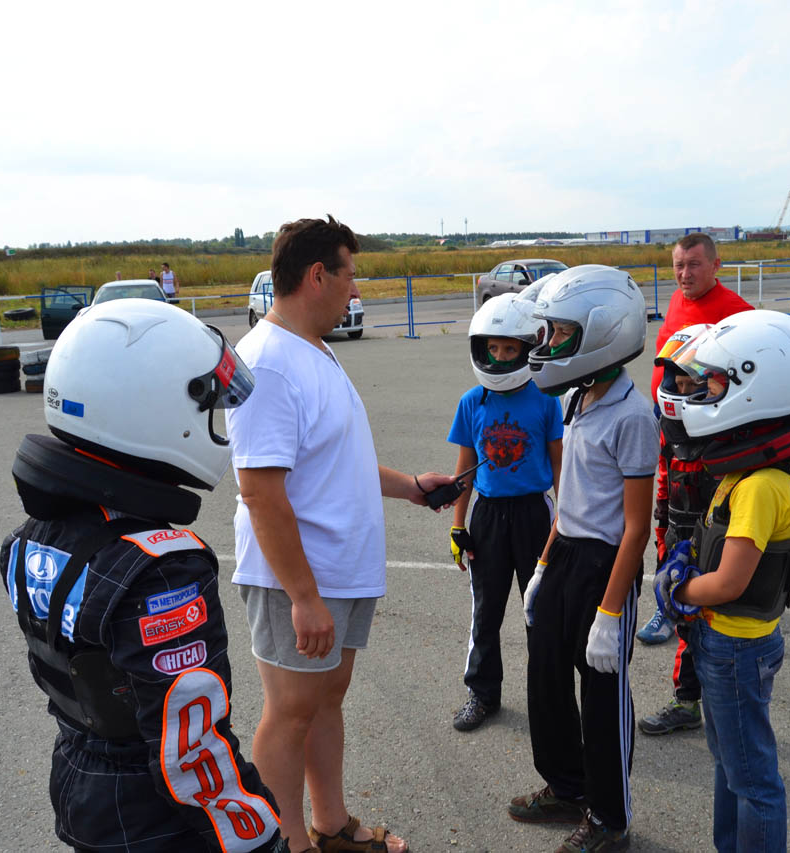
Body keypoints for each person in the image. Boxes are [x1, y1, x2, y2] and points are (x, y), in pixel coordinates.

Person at [0, 298, 287, 852]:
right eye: (207, 404)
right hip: (153, 817)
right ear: (147, 406)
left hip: (80, 784)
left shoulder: (28, 539)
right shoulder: (161, 569)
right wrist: (257, 834)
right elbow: (190, 750)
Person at [225, 216, 454, 853]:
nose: (357, 291)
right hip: (301, 578)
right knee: (291, 712)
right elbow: (260, 492)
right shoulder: (268, 364)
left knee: (327, 700)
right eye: (351, 275)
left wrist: (411, 486)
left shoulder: (314, 349)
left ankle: (329, 827)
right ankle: (286, 844)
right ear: (317, 275)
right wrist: (303, 596)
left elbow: (332, 462)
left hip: (339, 572)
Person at [656, 309, 790, 853]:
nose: (703, 396)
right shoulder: (744, 470)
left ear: (759, 391)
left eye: (714, 386)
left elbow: (729, 583)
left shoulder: (759, 484)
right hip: (726, 642)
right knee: (730, 763)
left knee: (752, 779)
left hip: (734, 646)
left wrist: (677, 593)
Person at [508, 264, 656, 853]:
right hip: (565, 552)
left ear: (604, 333)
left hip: (605, 567)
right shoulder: (575, 397)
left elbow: (636, 527)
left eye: (562, 334)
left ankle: (609, 818)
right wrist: (543, 568)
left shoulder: (633, 416)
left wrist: (611, 613)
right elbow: (568, 498)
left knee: (602, 700)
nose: (549, 345)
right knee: (545, 681)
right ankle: (567, 786)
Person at [446, 288, 563, 732]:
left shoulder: (546, 398)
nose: (499, 357)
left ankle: (547, 696)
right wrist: (458, 526)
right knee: (486, 610)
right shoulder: (471, 402)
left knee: (541, 609)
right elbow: (463, 472)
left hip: (534, 514)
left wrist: (566, 520)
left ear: (527, 348)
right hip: (489, 516)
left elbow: (559, 466)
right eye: (492, 349)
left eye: (509, 349)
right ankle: (482, 693)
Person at [638, 233, 752, 647]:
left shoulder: (738, 313)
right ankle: (668, 598)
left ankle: (712, 596)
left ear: (716, 265)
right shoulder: (674, 301)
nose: (684, 274)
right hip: (668, 422)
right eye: (678, 265)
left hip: (707, 433)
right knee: (667, 515)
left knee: (704, 518)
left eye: (694, 265)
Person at [637, 324, 716, 739]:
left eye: (692, 384)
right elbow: (664, 484)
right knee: (685, 623)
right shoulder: (670, 431)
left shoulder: (727, 435)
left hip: (718, 545)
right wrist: (662, 535)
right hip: (679, 539)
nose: (683, 392)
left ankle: (722, 703)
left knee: (717, 627)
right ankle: (686, 702)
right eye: (678, 383)